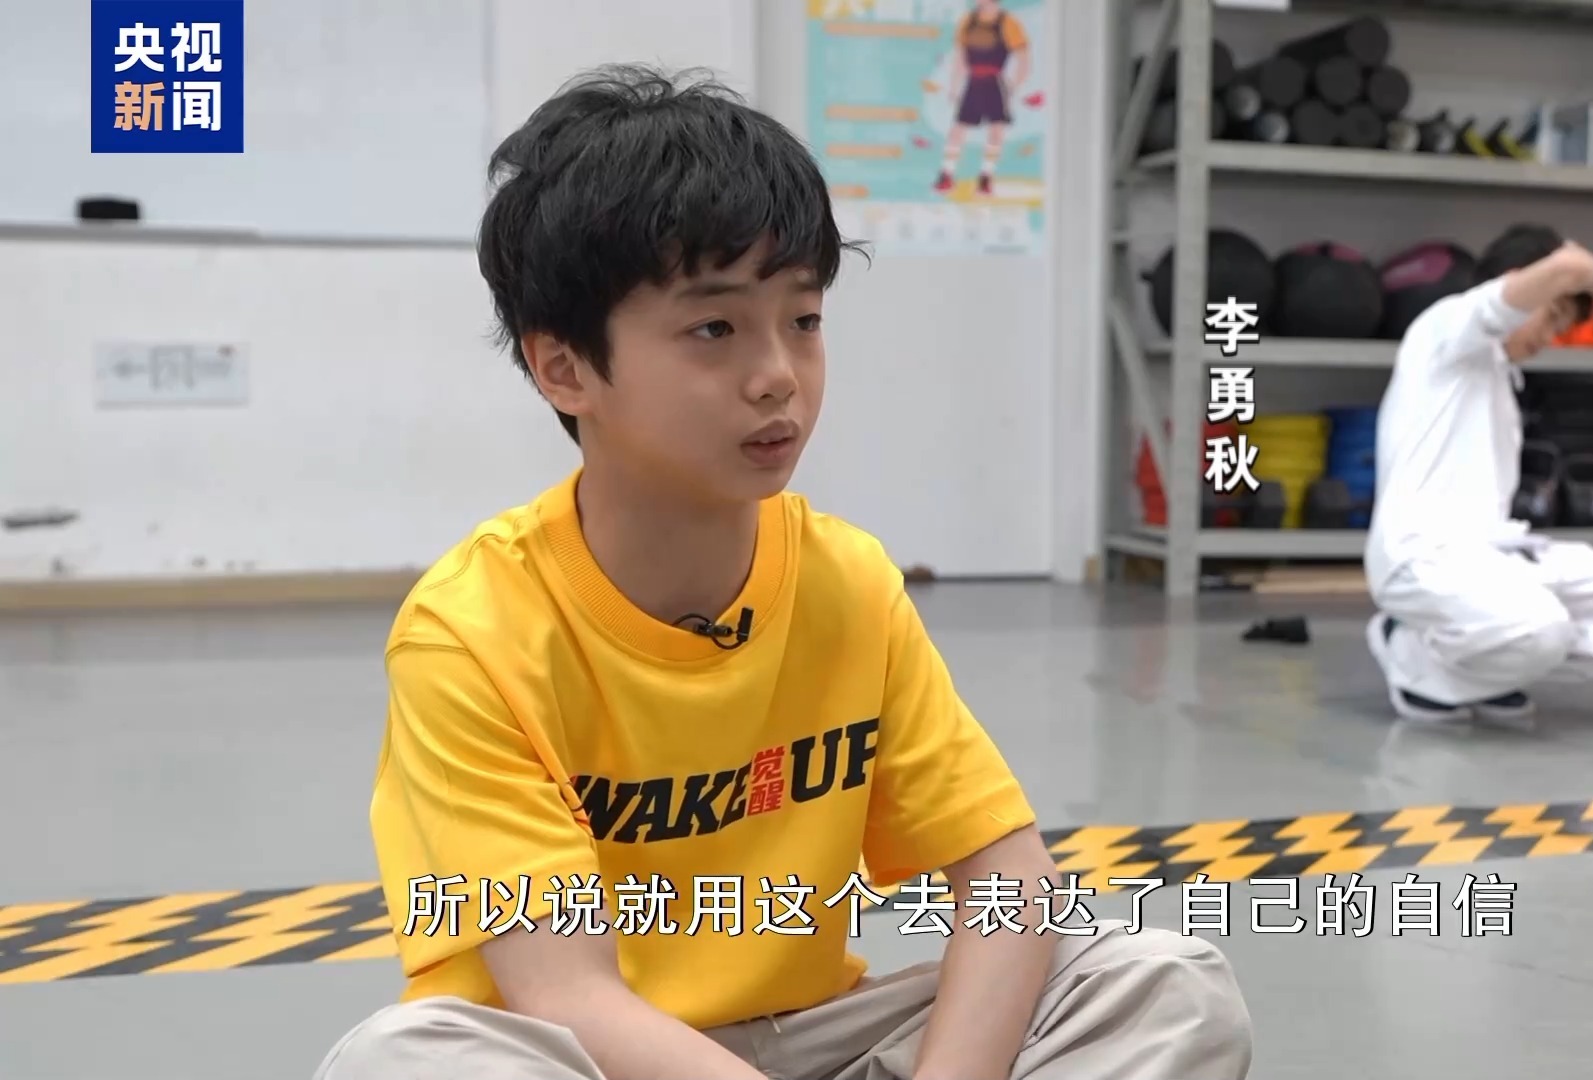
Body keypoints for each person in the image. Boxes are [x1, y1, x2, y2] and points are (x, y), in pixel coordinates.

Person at [310, 64, 1253, 1080]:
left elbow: (1007, 876)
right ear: (564, 367)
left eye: (803, 320)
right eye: (714, 329)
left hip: (814, 1037)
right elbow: (565, 992)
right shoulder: (472, 632)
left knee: (1163, 983)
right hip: (594, 1057)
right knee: (399, 1063)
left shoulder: (846, 580)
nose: (778, 377)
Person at [1362, 224, 1593, 727]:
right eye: (1553, 316)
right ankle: (1415, 659)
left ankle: (1483, 670)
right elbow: (1571, 269)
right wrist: (1586, 271)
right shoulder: (1444, 330)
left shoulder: (1500, 373)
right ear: (1518, 284)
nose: (1550, 338)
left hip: (1499, 553)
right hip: (1422, 556)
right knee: (1542, 628)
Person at [933, 0, 1029, 197]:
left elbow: (1023, 58)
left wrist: (1014, 86)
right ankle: (947, 173)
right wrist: (954, 86)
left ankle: (986, 176)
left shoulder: (1009, 23)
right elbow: (960, 57)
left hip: (995, 82)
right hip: (973, 82)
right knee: (958, 129)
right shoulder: (967, 21)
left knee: (996, 129)